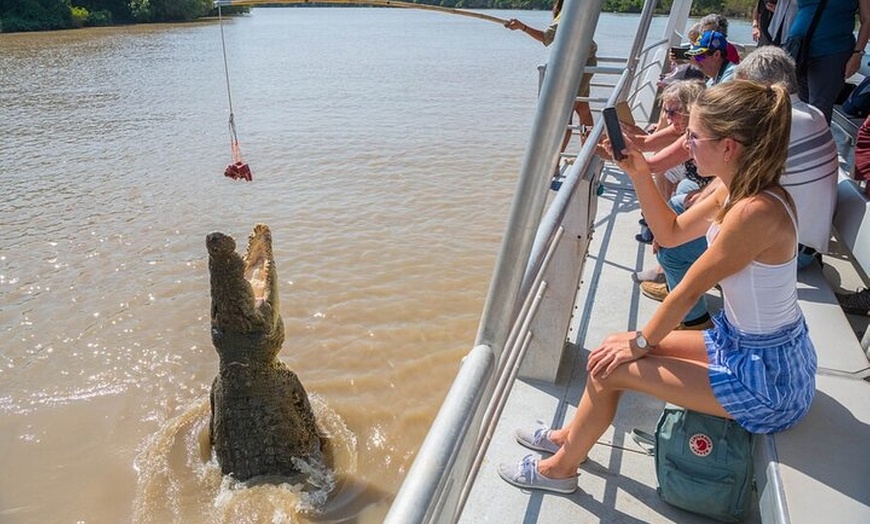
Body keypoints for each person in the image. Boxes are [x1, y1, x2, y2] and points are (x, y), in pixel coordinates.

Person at [497, 80, 817, 494]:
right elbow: (669, 233)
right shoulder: (733, 187)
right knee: (609, 348)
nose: (686, 144)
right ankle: (568, 439)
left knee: (612, 367)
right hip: (743, 345)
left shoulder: (755, 212)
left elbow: (687, 291)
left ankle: (560, 471)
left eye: (694, 136)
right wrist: (638, 172)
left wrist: (642, 343)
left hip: (768, 379)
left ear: (728, 147)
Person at [641, 46, 839, 309]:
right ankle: (679, 280)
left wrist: (686, 216)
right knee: (684, 197)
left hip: (789, 249)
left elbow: (732, 187)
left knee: (672, 250)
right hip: (804, 240)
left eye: (743, 89)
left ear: (763, 89)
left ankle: (692, 316)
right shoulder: (812, 114)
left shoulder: (775, 126)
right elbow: (734, 179)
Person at [505, 0, 598, 156]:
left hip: (581, 62)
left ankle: (556, 158)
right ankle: (588, 151)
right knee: (582, 108)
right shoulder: (572, 9)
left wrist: (522, 27)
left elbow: (546, 37)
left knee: (566, 113)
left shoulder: (568, 11)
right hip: (585, 60)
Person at [785, 0, 870, 124]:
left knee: (819, 110)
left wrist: (857, 54)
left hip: (832, 52)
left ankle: (816, 136)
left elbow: (867, 20)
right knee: (797, 105)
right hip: (798, 50)